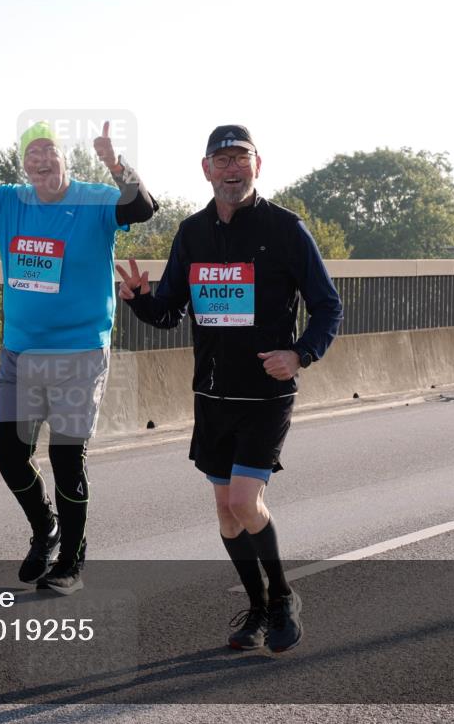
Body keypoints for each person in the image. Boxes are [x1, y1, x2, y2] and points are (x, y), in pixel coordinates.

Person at [0, 120, 156, 594]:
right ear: (24, 164)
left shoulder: (94, 199)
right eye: (32, 154)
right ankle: (46, 528)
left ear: (64, 158)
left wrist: (115, 163)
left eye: (49, 151)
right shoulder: (7, 203)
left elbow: (141, 208)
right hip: (22, 351)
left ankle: (72, 563)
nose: (41, 160)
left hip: (80, 353)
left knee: (66, 455)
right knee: (9, 451)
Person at [117, 124, 342, 651]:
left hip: (265, 391)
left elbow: (328, 305)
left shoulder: (286, 229)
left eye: (241, 159)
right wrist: (138, 300)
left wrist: (300, 353)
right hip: (212, 393)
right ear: (206, 170)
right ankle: (258, 609)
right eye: (222, 161)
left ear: (257, 166)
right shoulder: (192, 232)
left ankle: (284, 597)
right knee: (225, 510)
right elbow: (171, 310)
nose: (232, 169)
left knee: (244, 500)